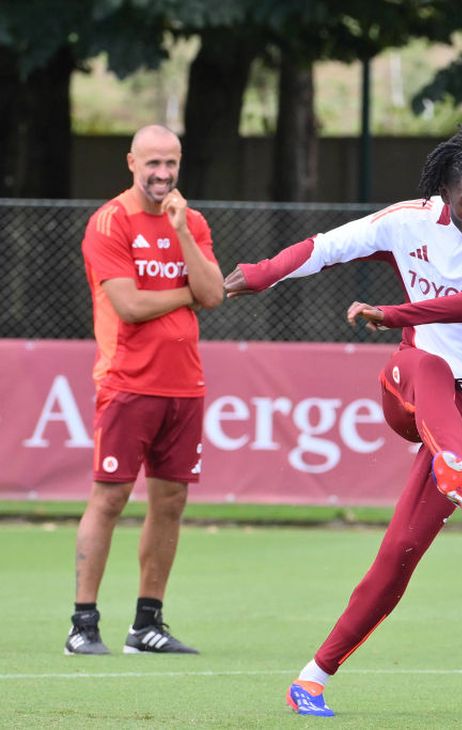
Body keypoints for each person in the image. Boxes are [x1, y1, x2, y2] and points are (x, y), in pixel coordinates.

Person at [224, 126, 462, 716]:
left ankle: (312, 679)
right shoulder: (408, 222)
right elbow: (327, 247)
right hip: (410, 386)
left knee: (401, 551)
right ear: (444, 195)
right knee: (430, 364)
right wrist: (262, 273)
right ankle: (452, 464)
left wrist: (397, 311)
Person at [68, 124, 224, 655]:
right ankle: (83, 624)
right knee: (110, 497)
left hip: (185, 383)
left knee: (171, 501)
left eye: (170, 163)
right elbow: (130, 306)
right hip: (127, 383)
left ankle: (146, 624)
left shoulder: (192, 221)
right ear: (131, 162)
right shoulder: (110, 221)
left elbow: (214, 294)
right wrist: (186, 294)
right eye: (152, 163)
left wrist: (181, 234)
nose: (162, 173)